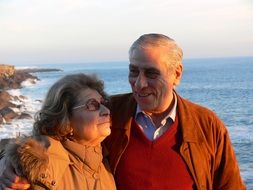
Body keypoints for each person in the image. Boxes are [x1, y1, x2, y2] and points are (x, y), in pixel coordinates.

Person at [0, 33, 246, 190]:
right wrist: (10, 166)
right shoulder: (110, 113)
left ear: (177, 74)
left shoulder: (206, 125)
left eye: (151, 73)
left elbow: (229, 186)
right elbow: (53, 141)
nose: (139, 83)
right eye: (133, 71)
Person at [0, 73, 116, 190]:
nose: (106, 111)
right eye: (92, 105)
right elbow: (25, 156)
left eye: (103, 103)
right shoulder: (43, 169)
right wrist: (9, 162)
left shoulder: (108, 157)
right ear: (65, 119)